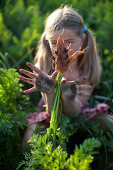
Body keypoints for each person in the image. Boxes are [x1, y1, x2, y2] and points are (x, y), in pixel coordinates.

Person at [19, 6, 112, 149]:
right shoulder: (43, 65)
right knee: (28, 142)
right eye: (54, 43)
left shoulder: (87, 67)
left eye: (69, 42)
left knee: (109, 123)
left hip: (80, 112)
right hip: (49, 115)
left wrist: (68, 96)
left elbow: (74, 113)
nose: (60, 48)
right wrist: (49, 92)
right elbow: (53, 114)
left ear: (82, 39)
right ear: (47, 41)